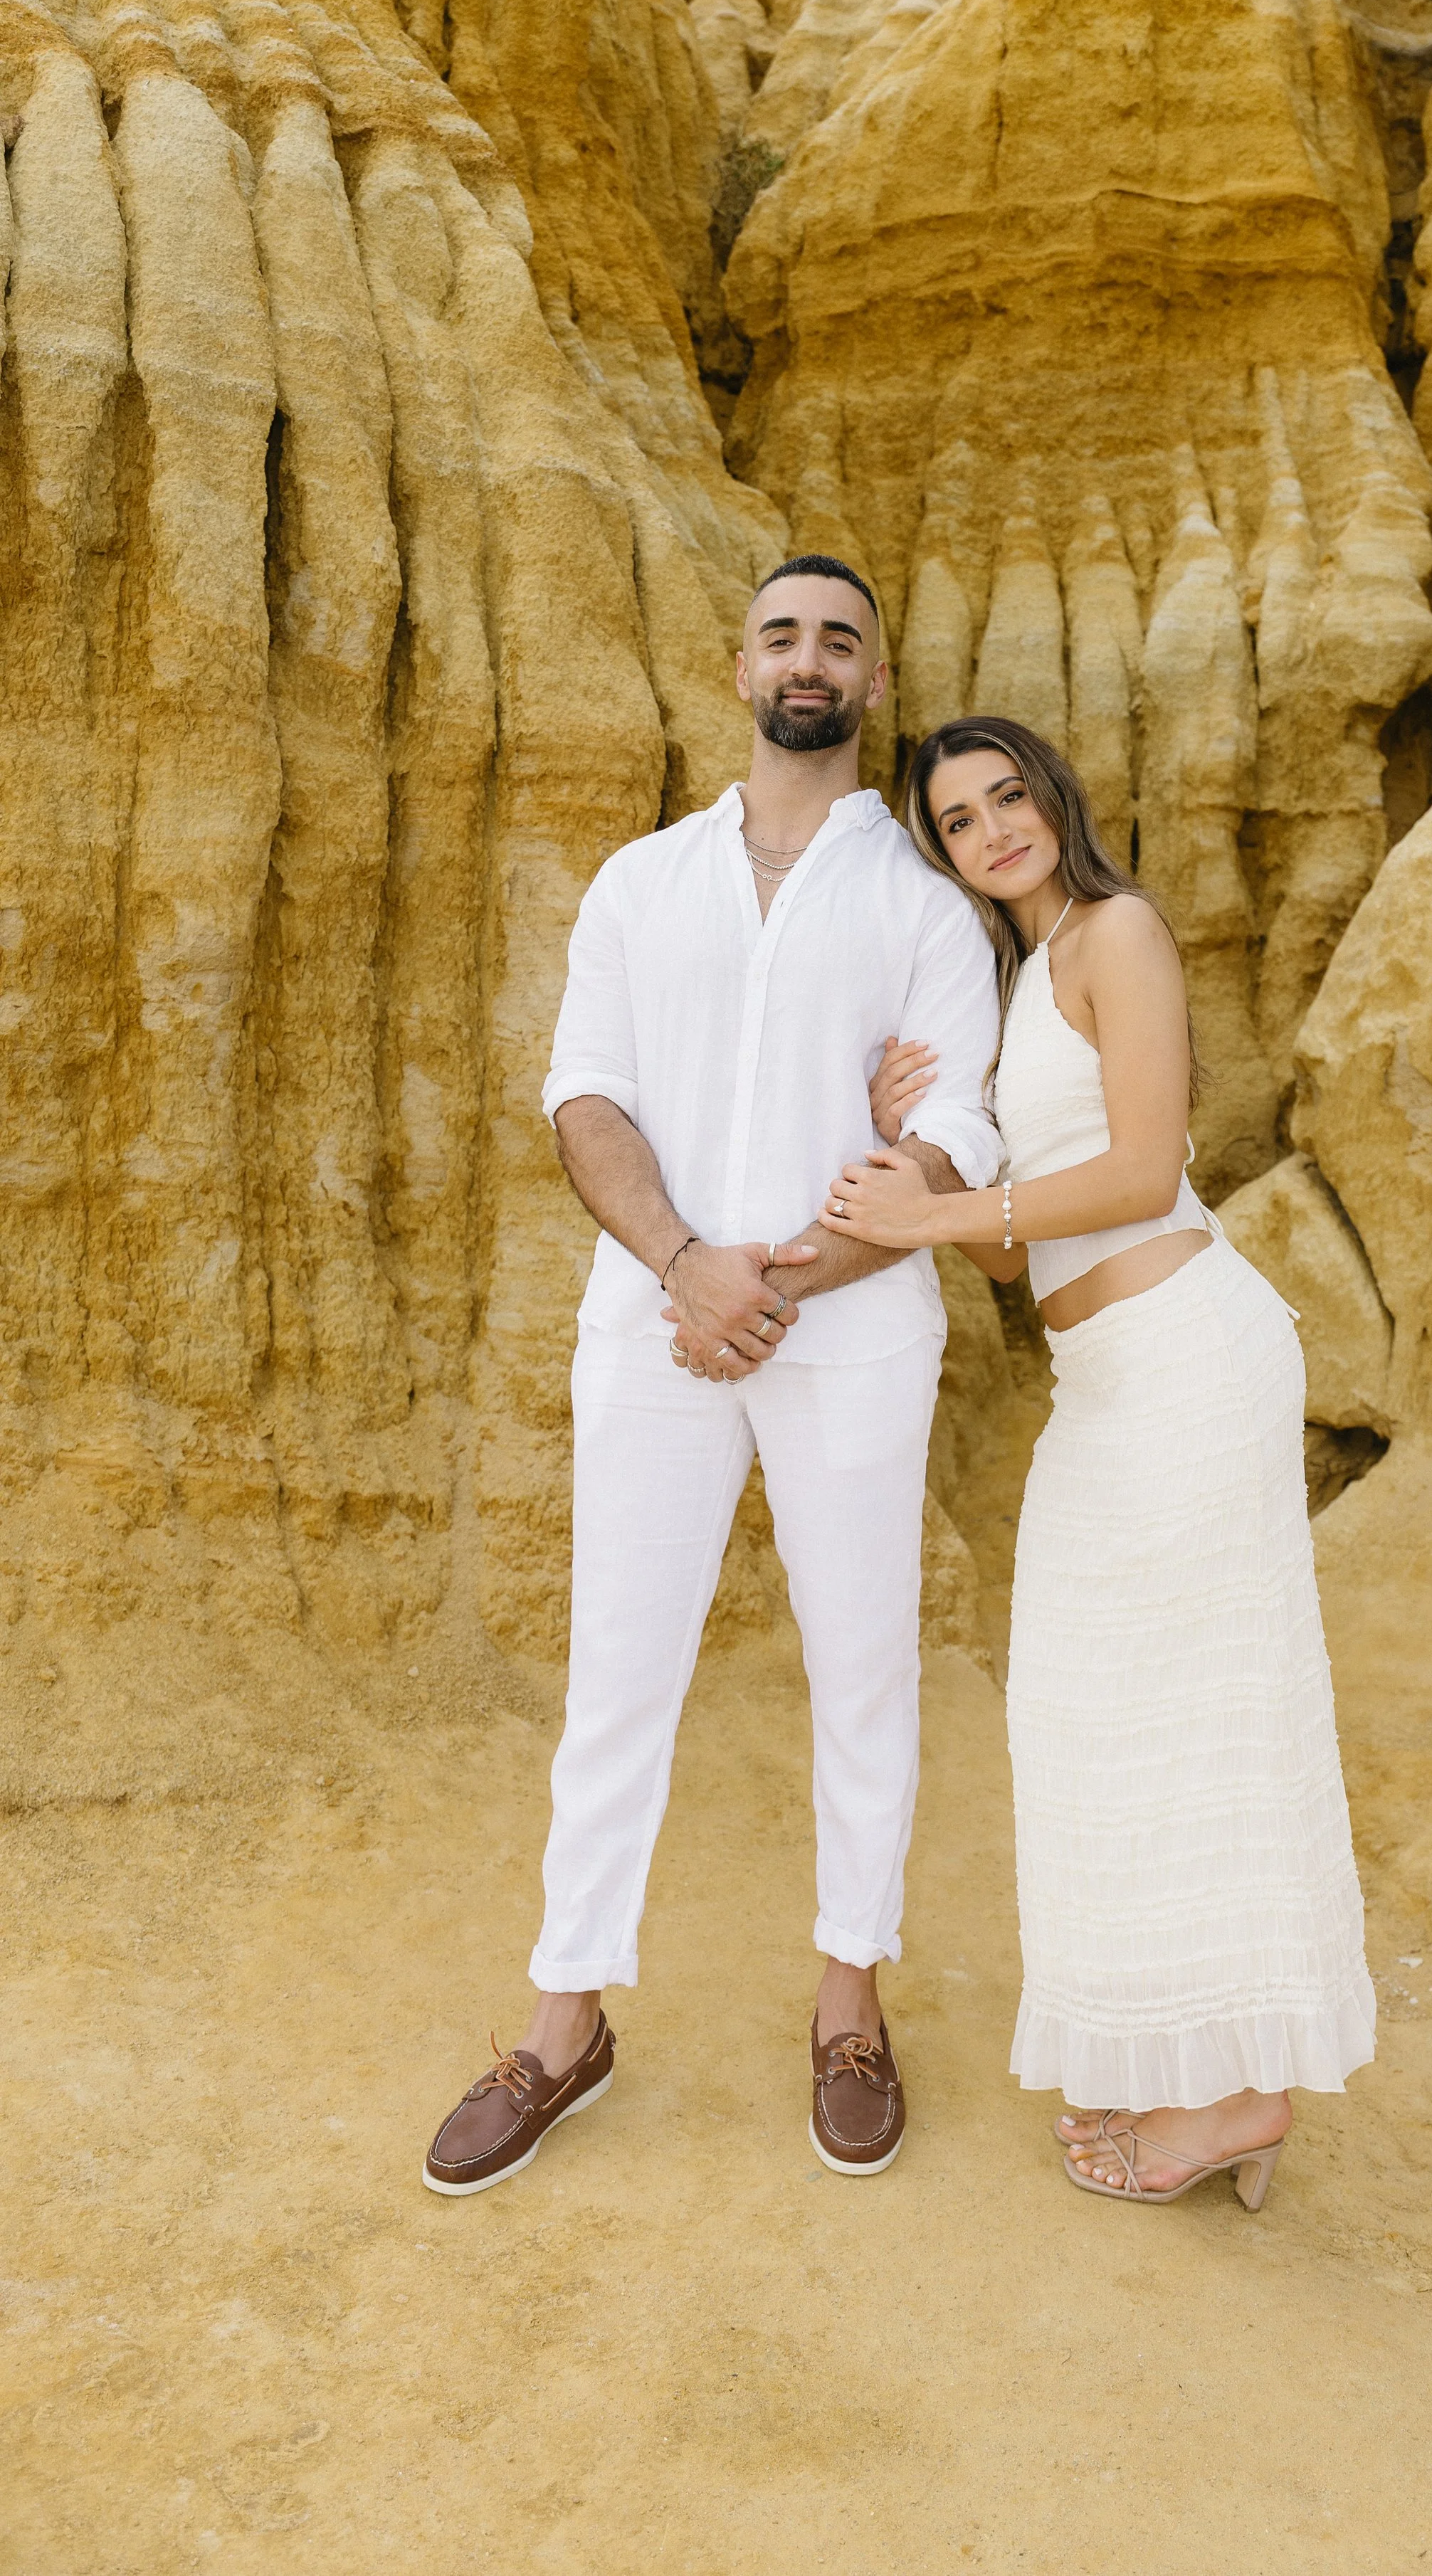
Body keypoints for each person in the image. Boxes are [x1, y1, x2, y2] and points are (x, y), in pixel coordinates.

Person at [423, 559, 1001, 2195]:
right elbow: (583, 1104)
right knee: (619, 1667)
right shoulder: (640, 883)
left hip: (853, 1339)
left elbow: (953, 1140)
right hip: (656, 1331)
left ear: (874, 682)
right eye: (780, 636)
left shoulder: (921, 908)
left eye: (839, 641)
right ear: (734, 668)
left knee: (863, 1664)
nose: (806, 661)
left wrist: (781, 1278)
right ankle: (563, 2022)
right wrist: (692, 1269)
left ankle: (848, 2000)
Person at [823, 715, 1375, 2209]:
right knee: (1103, 1706)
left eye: (1009, 796)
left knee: (1198, 1709)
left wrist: (927, 1218)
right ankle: (1202, 2066)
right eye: (957, 818)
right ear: (939, 852)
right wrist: (929, 1148)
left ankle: (1234, 2100)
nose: (993, 827)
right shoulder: (1021, 983)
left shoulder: (1112, 933)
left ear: (1053, 798)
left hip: (1188, 1365)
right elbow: (1035, 1258)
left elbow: (1141, 1170)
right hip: (1111, 1374)